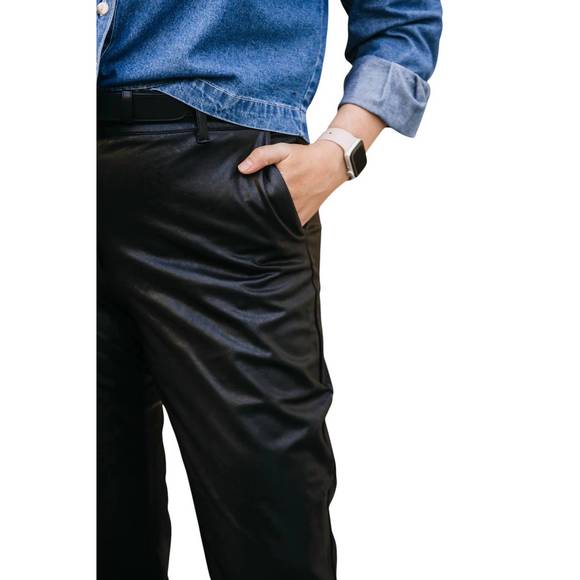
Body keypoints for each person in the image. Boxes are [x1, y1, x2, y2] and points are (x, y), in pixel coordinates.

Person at [96, 1, 442, 578]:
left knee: (271, 532)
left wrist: (339, 152)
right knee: (93, 531)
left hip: (224, 183)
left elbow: (402, 16)